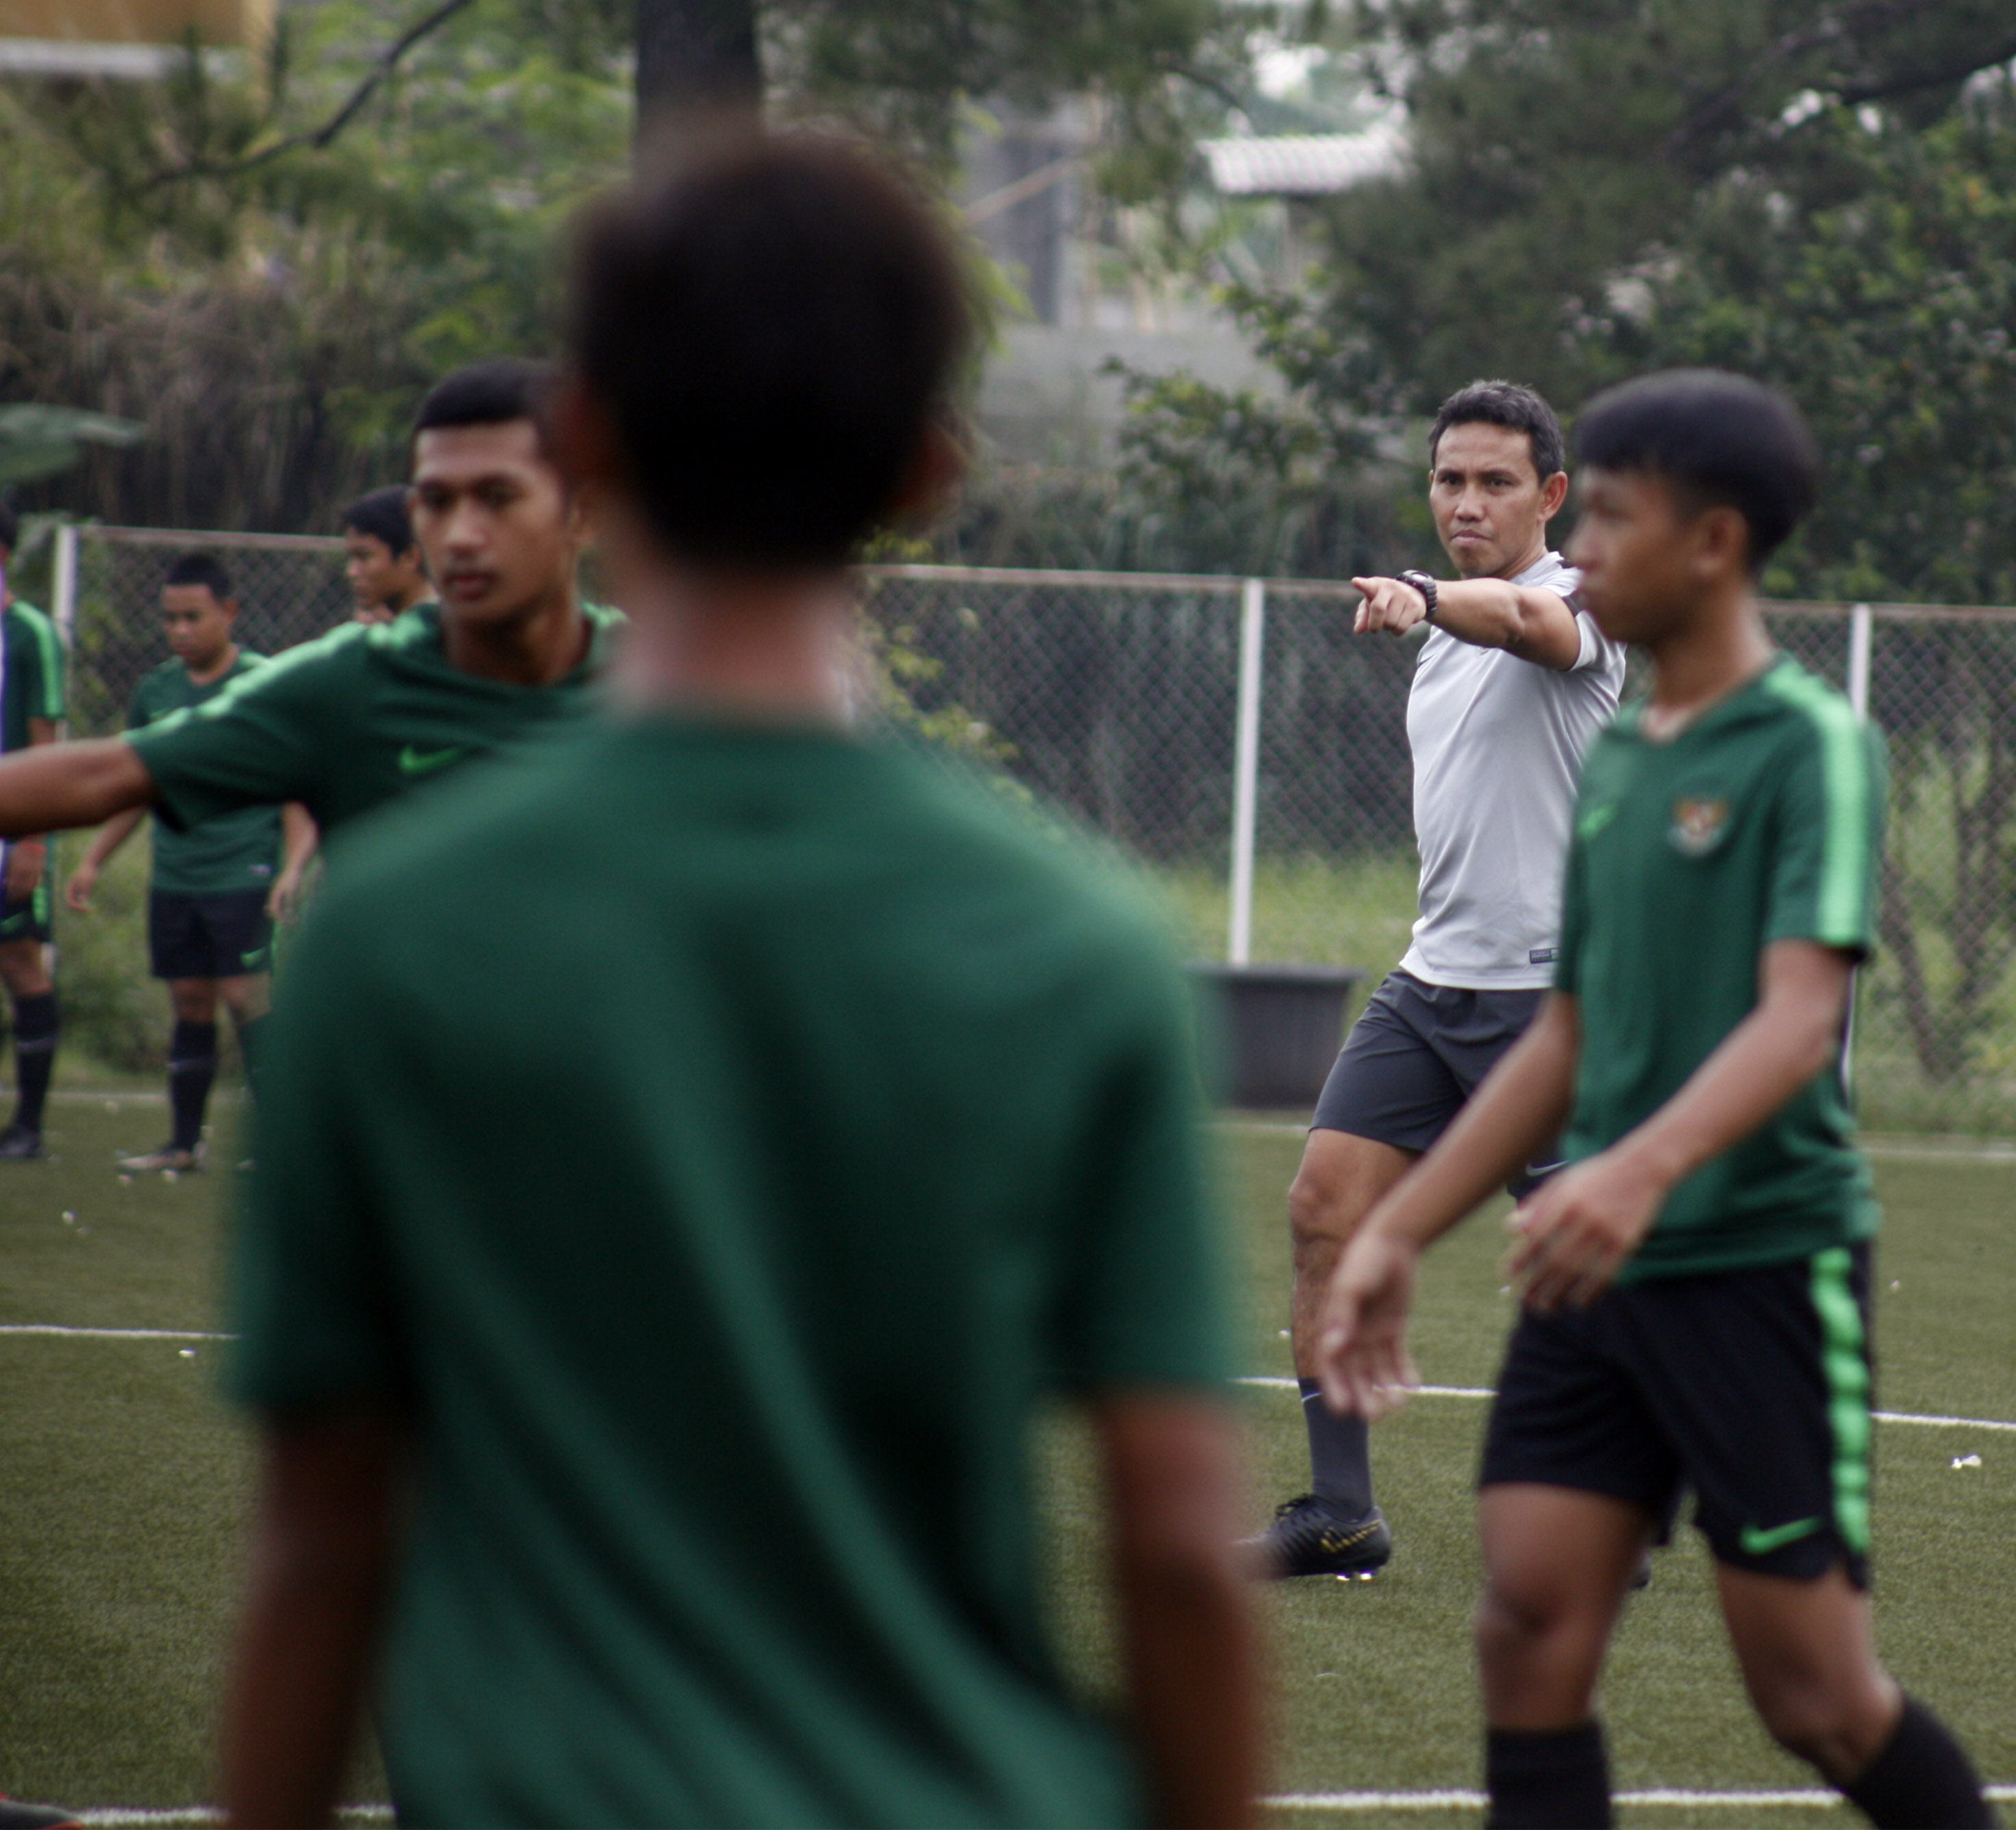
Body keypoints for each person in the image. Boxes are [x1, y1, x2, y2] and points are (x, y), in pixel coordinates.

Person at [214, 132, 1261, 1830]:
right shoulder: (1082, 948)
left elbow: (326, 1544)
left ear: (593, 443)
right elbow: (1175, 1550)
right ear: (926, 469)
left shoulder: (390, 936)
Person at [1317, 370, 1995, 1829]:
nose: (1586, 550)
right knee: (1525, 1628)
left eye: (1614, 518)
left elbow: (1796, 1019)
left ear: (1717, 541)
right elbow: (1569, 1033)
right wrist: (1394, 1232)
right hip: (1594, 1275)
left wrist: (1628, 1176)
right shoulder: (1628, 759)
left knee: (1811, 1698)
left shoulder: (1803, 740)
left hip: (1750, 1259)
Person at [1255, 379, 1626, 1580]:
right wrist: (1427, 609)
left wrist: (1424, 597)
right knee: (1322, 1208)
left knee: (1577, 1267)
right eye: (1449, 480)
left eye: (1495, 481)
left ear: (1551, 497)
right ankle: (1341, 1514)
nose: (1466, 501)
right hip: (1431, 988)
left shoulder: (1579, 603)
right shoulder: (1437, 646)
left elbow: (1520, 620)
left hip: (1557, 1000)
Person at [0, 358, 613, 853]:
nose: (459, 535)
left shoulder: (668, 691)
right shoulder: (351, 686)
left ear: (584, 513)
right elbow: (106, 774)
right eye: (438, 501)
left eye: (498, 497)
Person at [66, 553, 314, 1173]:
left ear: (228, 613)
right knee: (190, 1003)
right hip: (177, 874)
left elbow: (296, 788)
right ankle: (183, 1145)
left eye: (193, 617)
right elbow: (137, 785)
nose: (180, 631)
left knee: (246, 996)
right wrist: (94, 858)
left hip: (244, 873)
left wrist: (291, 868)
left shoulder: (264, 683)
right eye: (170, 619)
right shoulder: (156, 690)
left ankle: (284, 1146)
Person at [0, 501, 67, 1160]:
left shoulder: (29, 634)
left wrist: (33, 840)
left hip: (10, 830)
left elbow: (46, 745)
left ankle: (29, 1127)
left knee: (20, 963)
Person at [340, 486, 430, 624]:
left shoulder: (449, 636)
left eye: (364, 557)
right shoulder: (381, 634)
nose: (351, 572)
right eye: (351, 558)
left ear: (410, 557)